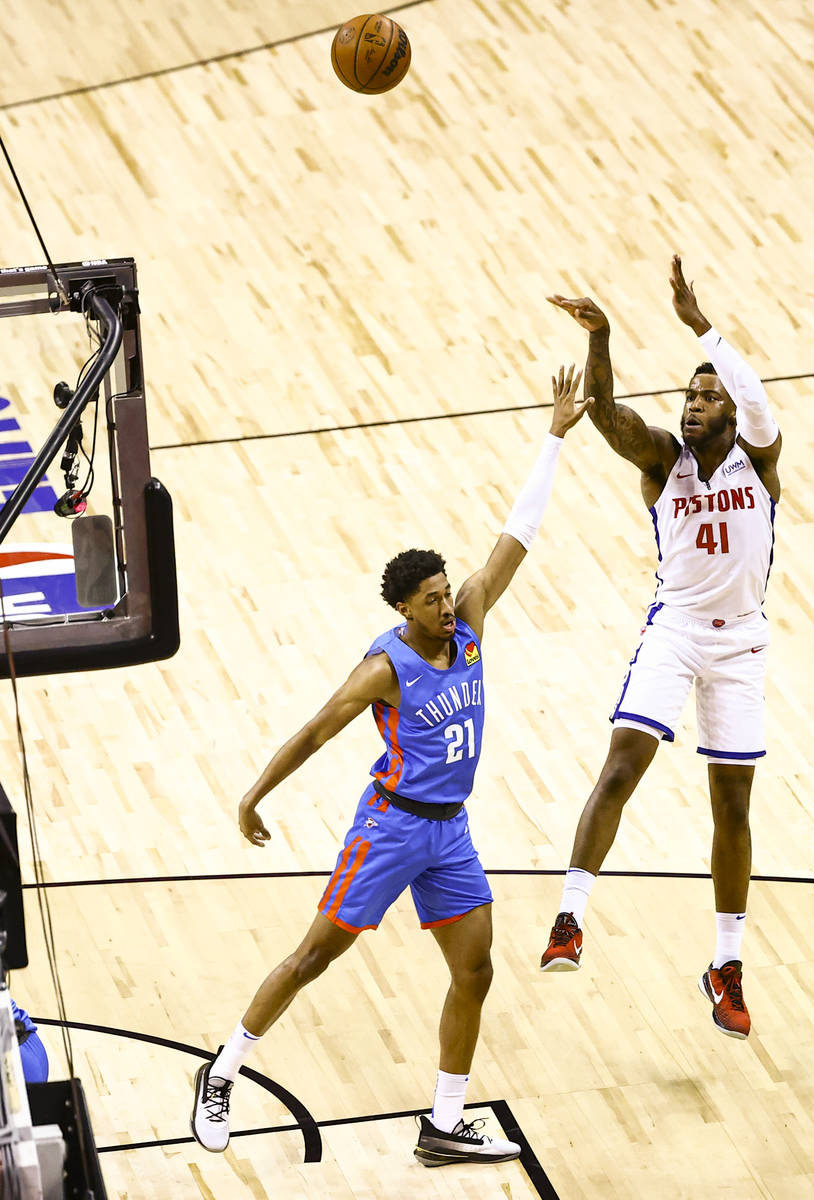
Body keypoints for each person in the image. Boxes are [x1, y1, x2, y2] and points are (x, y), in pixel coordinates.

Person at [191, 366, 593, 1165]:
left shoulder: (473, 622)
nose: (449, 605)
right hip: (391, 828)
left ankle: (444, 1125)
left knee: (474, 971)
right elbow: (315, 732)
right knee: (314, 958)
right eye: (434, 600)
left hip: (451, 834)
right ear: (404, 610)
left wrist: (553, 434)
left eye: (450, 592)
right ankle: (223, 1068)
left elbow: (520, 535)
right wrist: (253, 795)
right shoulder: (385, 668)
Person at [539, 256, 782, 1040]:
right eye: (689, 393)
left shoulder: (761, 461)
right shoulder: (663, 463)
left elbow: (756, 397)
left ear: (732, 416)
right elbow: (610, 413)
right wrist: (604, 335)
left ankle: (726, 965)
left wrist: (701, 326)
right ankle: (571, 916)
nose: (694, 404)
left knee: (733, 806)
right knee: (620, 767)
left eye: (708, 397)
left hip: (741, 645)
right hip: (674, 631)